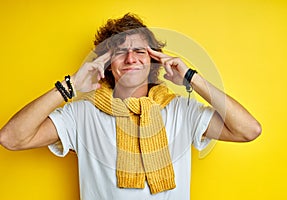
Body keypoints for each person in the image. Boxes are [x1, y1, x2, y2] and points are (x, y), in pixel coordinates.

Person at [0, 13, 261, 200]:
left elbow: (248, 130)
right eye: (120, 52)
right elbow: (11, 138)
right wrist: (71, 86)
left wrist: (192, 78)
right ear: (107, 64)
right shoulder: (83, 114)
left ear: (153, 60)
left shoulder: (181, 110)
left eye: (140, 51)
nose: (130, 58)